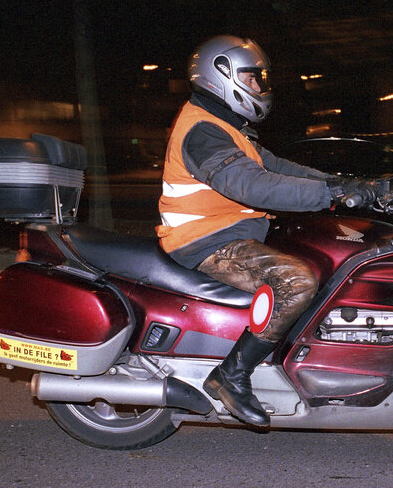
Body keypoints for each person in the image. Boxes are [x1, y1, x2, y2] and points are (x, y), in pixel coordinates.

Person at [156, 35, 373, 427]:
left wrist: (345, 184)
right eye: (252, 79)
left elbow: (274, 167)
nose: (260, 87)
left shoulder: (224, 124)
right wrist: (331, 194)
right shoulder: (203, 131)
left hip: (229, 231)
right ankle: (231, 376)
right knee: (296, 281)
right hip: (205, 240)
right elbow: (251, 185)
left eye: (260, 79)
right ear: (220, 75)